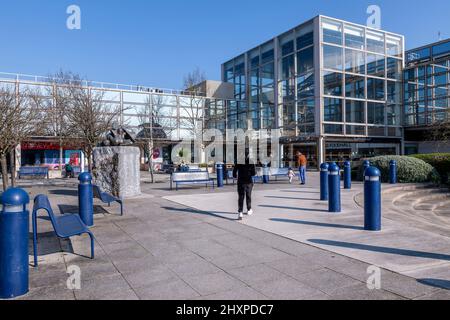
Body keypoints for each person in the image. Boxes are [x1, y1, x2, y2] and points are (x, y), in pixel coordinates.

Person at [233, 151, 256, 220]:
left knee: (241, 197)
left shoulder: (239, 161)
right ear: (248, 154)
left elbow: (234, 172)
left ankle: (240, 212)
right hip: (249, 181)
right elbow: (253, 173)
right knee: (248, 195)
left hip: (240, 181)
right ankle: (249, 209)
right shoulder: (251, 161)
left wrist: (236, 175)